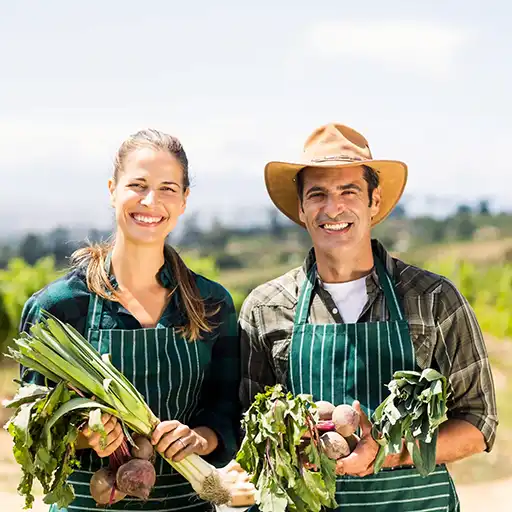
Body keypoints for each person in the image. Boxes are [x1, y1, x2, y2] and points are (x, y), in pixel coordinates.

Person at [238, 123, 498, 511]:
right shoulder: (266, 308)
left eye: (349, 192)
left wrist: (389, 453)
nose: (333, 208)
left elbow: (479, 424)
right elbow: (248, 428)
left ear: (374, 202)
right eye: (318, 194)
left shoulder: (434, 299)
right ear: (301, 207)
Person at [20, 129, 241, 512]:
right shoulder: (58, 307)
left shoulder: (211, 302)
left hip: (185, 507)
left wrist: (199, 440)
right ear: (112, 190)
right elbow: (32, 429)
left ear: (185, 200)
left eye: (168, 188)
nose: (150, 201)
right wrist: (86, 433)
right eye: (137, 185)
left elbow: (226, 411)